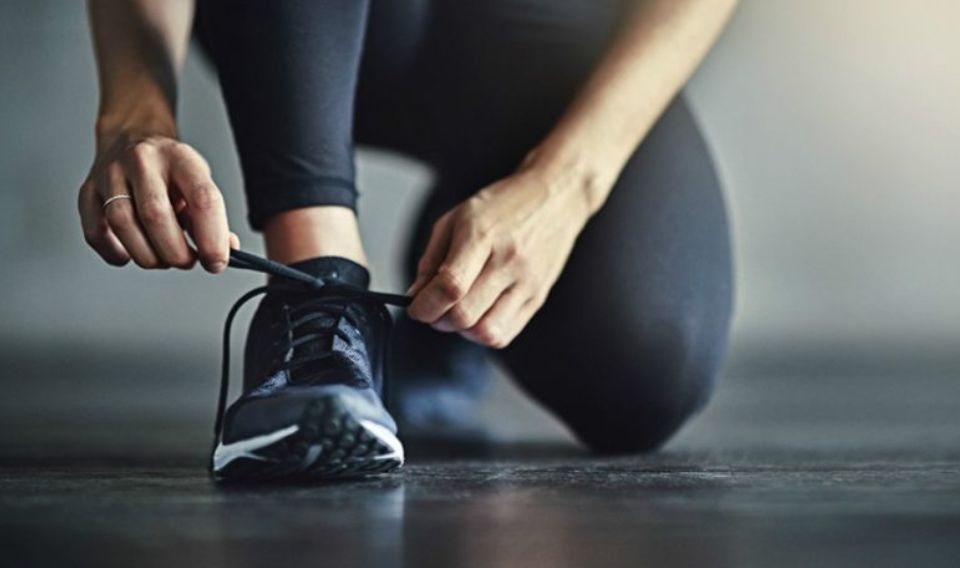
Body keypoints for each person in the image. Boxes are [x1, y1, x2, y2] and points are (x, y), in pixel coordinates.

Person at [80, 0, 737, 480]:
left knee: (647, 374)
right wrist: (133, 115)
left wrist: (567, 183)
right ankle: (316, 303)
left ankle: (444, 282)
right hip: (305, 31)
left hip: (556, 39)